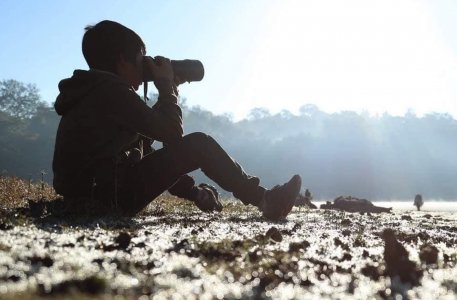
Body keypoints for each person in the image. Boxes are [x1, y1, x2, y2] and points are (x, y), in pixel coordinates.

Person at [51, 20, 301, 220]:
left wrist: (195, 193)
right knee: (200, 143)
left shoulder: (95, 90)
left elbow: (150, 156)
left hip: (92, 196)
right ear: (122, 60)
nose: (145, 67)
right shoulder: (110, 91)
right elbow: (171, 134)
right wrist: (166, 88)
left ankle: (264, 198)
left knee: (194, 146)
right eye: (141, 58)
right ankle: (265, 200)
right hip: (104, 199)